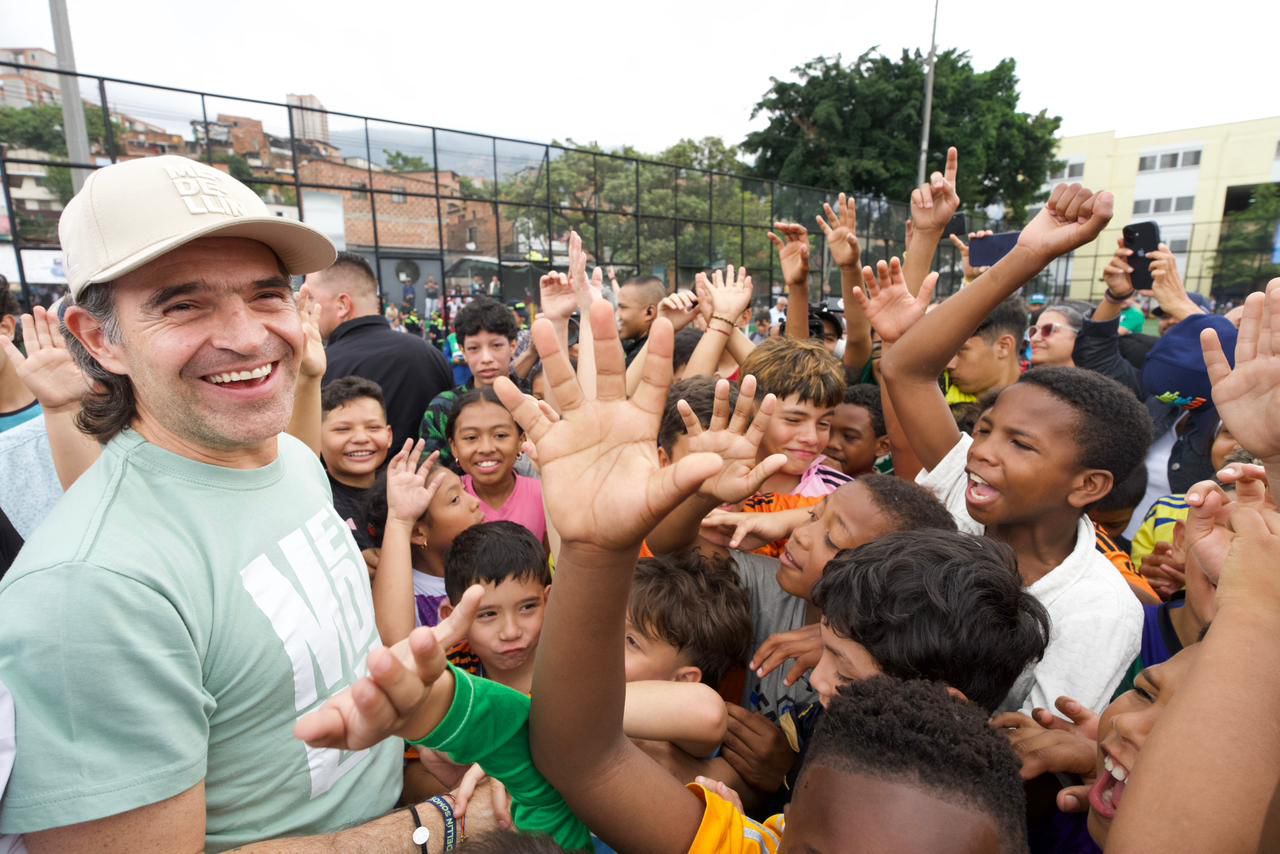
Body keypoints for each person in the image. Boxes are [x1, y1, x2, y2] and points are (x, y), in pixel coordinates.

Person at [0, 154, 442, 850]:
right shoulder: (88, 590)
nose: (246, 336)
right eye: (184, 304)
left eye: (267, 295)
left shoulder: (296, 460)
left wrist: (426, 753)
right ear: (97, 340)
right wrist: (431, 829)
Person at [873, 180, 1148, 714]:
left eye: (1020, 444)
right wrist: (1028, 255)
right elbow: (904, 367)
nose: (981, 452)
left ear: (1087, 485)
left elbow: (1028, 756)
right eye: (984, 430)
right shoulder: (964, 487)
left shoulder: (1097, 608)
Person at [308, 251, 453, 454]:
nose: (306, 306)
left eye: (310, 297)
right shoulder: (431, 355)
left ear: (342, 304)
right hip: (430, 481)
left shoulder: (320, 367)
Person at [371, 439, 485, 640]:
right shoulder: (408, 597)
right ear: (418, 533)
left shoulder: (496, 561)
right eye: (454, 499)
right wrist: (400, 520)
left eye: (464, 489)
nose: (475, 503)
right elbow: (395, 643)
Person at [442, 521, 551, 694]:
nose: (511, 632)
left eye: (527, 607)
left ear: (548, 601)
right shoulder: (451, 673)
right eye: (488, 614)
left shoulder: (570, 666)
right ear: (452, 618)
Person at [420, 296, 524, 469]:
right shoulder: (443, 407)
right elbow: (432, 471)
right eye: (474, 348)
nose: (486, 359)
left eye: (496, 345)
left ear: (513, 346)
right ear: (462, 350)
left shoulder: (533, 400)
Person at [450, 388, 546, 541]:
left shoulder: (544, 496)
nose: (486, 448)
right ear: (454, 447)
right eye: (471, 437)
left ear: (521, 440)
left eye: (500, 435)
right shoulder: (446, 504)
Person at [320, 376, 393, 550]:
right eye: (342, 429)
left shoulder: (401, 489)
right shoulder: (318, 502)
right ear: (317, 438)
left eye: (373, 428)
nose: (361, 438)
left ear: (389, 435)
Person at [823, 383, 891, 477]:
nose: (831, 443)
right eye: (826, 428)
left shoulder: (879, 491)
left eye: (849, 437)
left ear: (883, 446)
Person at [615, 275, 665, 365]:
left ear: (649, 312)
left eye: (623, 307)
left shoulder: (645, 358)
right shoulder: (636, 346)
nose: (616, 314)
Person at [1029, 303, 1084, 367]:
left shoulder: (1094, 375)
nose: (1034, 338)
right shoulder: (1017, 375)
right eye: (1033, 331)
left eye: (1048, 329)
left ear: (1078, 335)